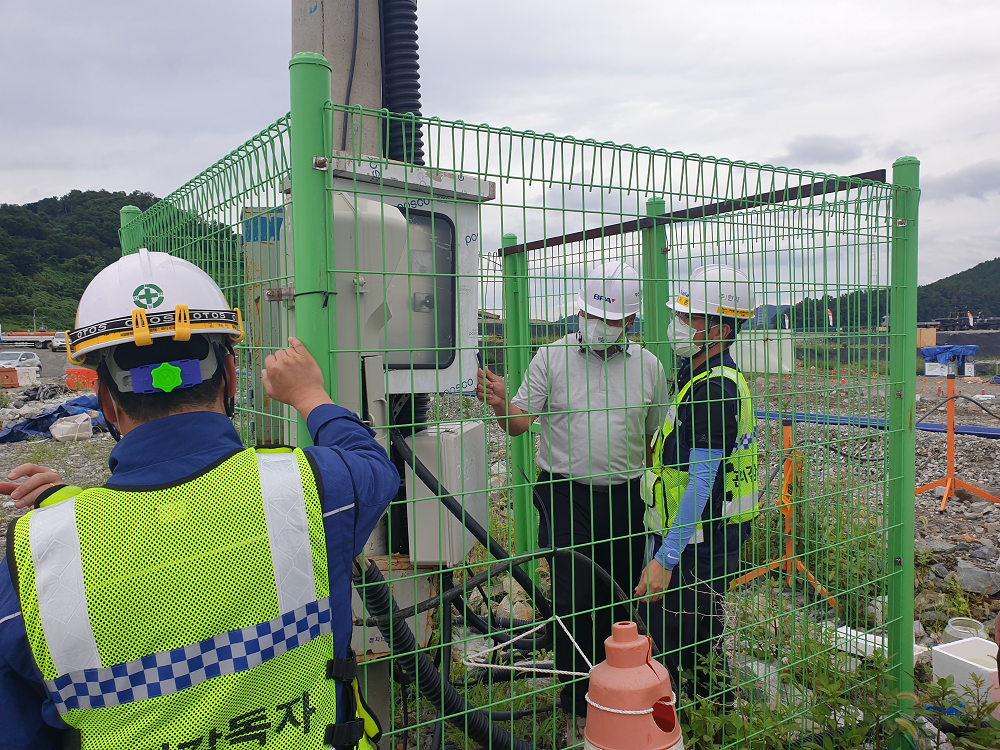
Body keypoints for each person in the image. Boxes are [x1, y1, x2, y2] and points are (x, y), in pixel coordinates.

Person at [0, 249, 399, 750]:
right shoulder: (313, 491)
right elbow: (374, 466)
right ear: (231, 379)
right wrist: (311, 397)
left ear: (104, 402)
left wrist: (73, 511)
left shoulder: (34, 567)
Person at [477, 260, 668, 741]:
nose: (597, 326)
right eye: (590, 315)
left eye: (610, 320)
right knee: (574, 600)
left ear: (628, 323)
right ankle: (575, 705)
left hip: (625, 497)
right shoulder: (551, 358)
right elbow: (520, 423)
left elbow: (652, 438)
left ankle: (619, 694)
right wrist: (502, 403)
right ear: (579, 311)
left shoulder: (649, 366)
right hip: (565, 495)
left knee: (621, 597)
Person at [634, 263, 761, 699]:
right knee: (697, 642)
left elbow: (702, 481)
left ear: (720, 328)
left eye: (689, 317)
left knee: (681, 645)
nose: (678, 325)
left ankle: (694, 726)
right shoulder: (706, 374)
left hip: (698, 546)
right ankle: (708, 724)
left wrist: (664, 560)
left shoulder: (714, 389)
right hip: (701, 539)